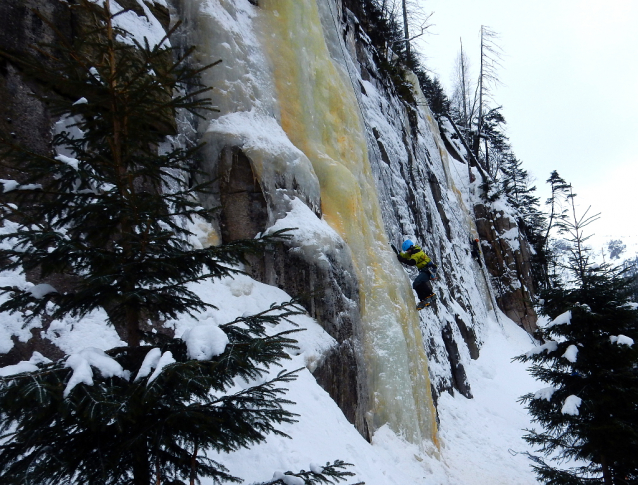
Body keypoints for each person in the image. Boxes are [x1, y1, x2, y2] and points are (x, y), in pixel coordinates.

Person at [392, 239, 438, 310]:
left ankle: (430, 295)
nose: (408, 252)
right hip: (424, 270)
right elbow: (405, 256)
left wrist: (402, 260)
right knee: (415, 284)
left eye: (408, 250)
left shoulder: (417, 252)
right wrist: (398, 253)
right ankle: (423, 300)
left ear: (411, 247)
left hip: (428, 270)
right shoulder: (411, 252)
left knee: (418, 281)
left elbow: (412, 262)